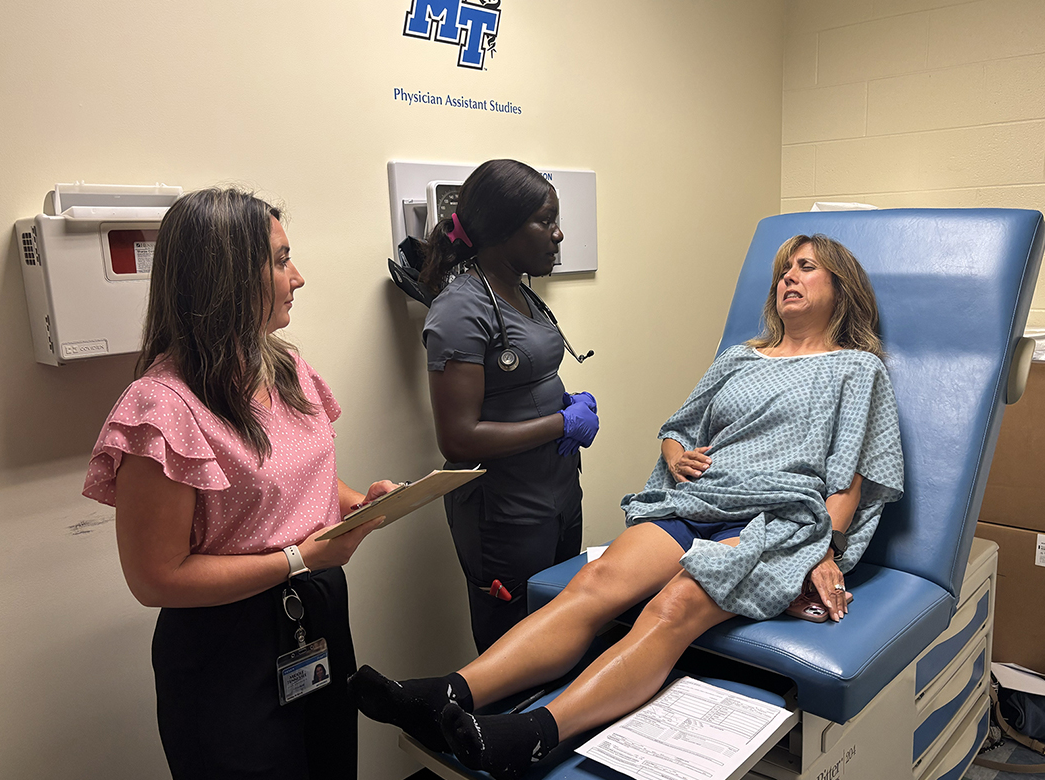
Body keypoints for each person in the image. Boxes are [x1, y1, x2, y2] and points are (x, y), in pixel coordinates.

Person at [348, 233, 904, 780]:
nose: (788, 277)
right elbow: (678, 427)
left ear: (842, 287)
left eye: (806, 268)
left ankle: (537, 734)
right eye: (784, 269)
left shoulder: (856, 368)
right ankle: (451, 691)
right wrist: (677, 454)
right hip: (699, 499)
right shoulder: (742, 357)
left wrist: (821, 550)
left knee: (671, 607)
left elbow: (847, 482)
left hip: (777, 519)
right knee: (595, 584)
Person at [82, 188, 395, 780]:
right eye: (280, 261)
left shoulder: (283, 368)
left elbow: (296, 481)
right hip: (227, 647)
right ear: (224, 277)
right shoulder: (162, 409)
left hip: (317, 619)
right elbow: (156, 577)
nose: (297, 277)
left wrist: (360, 503)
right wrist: (298, 559)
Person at [413, 159, 599, 652]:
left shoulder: (517, 290)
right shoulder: (460, 309)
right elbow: (458, 437)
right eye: (545, 221)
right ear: (500, 227)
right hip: (505, 515)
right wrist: (561, 422)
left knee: (561, 634)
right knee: (513, 651)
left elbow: (521, 379)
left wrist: (568, 402)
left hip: (555, 497)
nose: (558, 235)